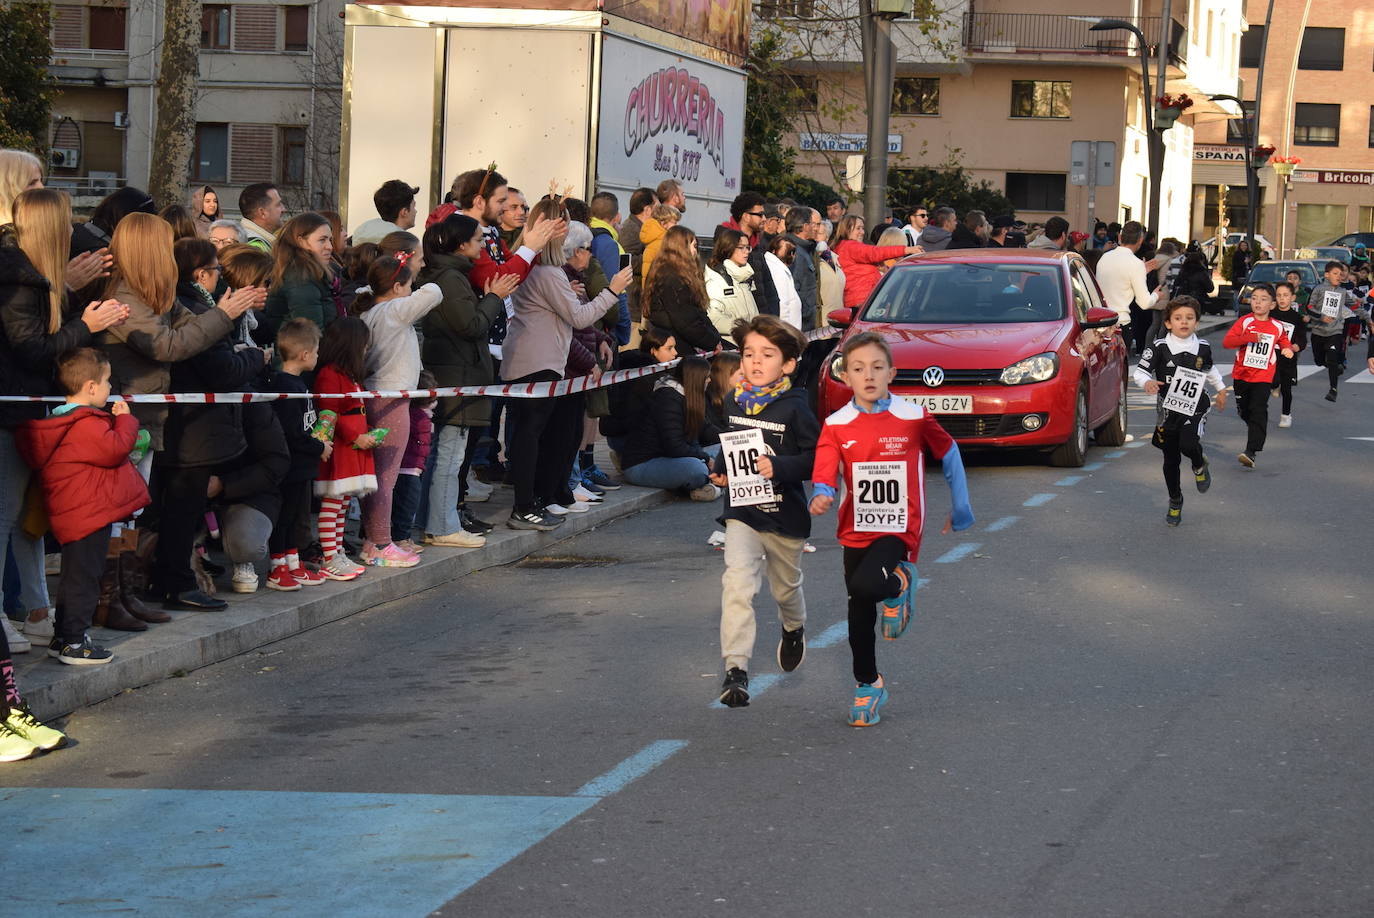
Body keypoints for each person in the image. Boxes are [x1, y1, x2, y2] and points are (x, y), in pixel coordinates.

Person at [809, 331, 974, 724]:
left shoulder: (912, 417)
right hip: (855, 529)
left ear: (891, 373)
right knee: (858, 611)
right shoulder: (836, 424)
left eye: (877, 368)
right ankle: (868, 684)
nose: (868, 375)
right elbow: (824, 468)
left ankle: (901, 582)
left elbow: (948, 450)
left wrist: (961, 506)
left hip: (898, 527)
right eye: (858, 368)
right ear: (845, 376)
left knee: (869, 586)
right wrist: (821, 492)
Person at [1, 188, 131, 642]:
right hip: (11, 417)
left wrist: (80, 312)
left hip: (27, 414)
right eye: (65, 221)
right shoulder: (20, 278)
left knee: (26, 518)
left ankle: (35, 611)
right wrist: (85, 325)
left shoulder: (32, 277)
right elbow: (31, 348)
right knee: (8, 517)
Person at [707, 315, 819, 708]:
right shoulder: (735, 398)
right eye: (749, 353)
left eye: (766, 355)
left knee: (785, 589)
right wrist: (720, 470)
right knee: (736, 584)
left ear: (787, 364)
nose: (755, 362)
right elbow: (731, 440)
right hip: (743, 512)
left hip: (784, 515)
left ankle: (793, 627)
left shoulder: (795, 409)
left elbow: (817, 458)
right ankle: (735, 670)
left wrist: (781, 467)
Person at [502, 198, 631, 531]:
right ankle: (526, 504)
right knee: (532, 437)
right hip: (539, 361)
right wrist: (612, 292)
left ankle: (536, 499)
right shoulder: (548, 272)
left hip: (536, 359)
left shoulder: (536, 269)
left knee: (536, 435)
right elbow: (579, 316)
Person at [17, 348, 149, 664]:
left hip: (74, 513)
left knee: (75, 577)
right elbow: (115, 449)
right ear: (90, 387)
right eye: (106, 381)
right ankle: (74, 643)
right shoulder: (85, 422)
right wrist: (126, 420)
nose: (109, 388)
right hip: (89, 514)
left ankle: (64, 636)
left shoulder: (59, 420)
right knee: (84, 580)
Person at [418, 214, 516, 545]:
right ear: (461, 245)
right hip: (455, 375)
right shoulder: (450, 279)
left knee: (449, 456)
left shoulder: (453, 276)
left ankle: (438, 522)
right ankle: (443, 526)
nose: (483, 246)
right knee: (449, 457)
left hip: (458, 373)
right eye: (477, 240)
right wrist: (494, 298)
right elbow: (470, 326)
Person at [351, 254, 443, 567]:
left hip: (378, 396)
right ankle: (380, 543)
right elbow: (434, 292)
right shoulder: (392, 310)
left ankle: (372, 539)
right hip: (391, 401)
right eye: (408, 284)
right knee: (385, 478)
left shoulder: (370, 312)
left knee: (376, 476)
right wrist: (415, 268)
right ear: (397, 286)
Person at [1133, 297, 1228, 526]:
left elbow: (1210, 369)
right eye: (1178, 318)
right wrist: (1146, 383)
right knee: (1171, 458)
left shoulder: (1203, 347)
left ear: (1196, 322)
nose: (1183, 322)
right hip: (1168, 410)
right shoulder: (1159, 348)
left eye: (1189, 318)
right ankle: (1175, 499)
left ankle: (1198, 463)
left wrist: (1221, 389)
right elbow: (1140, 372)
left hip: (1196, 405)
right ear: (1167, 323)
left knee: (1188, 443)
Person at [259, 318, 329, 590]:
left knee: (293, 516)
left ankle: (293, 563)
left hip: (303, 466)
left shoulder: (298, 385)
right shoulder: (288, 387)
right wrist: (319, 447)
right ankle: (277, 569)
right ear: (305, 354)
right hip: (291, 466)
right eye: (317, 350)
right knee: (285, 517)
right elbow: (293, 433)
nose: (318, 356)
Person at [313, 317, 378, 580]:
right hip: (340, 447)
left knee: (343, 503)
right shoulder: (330, 374)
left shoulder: (348, 375)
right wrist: (355, 435)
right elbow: (330, 413)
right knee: (333, 503)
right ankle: (330, 557)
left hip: (353, 447)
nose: (366, 349)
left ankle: (337, 551)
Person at [619, 356, 719, 498]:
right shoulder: (667, 399)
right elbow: (675, 446)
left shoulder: (689, 396)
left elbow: (700, 433)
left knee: (727, 449)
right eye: (706, 377)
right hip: (644, 463)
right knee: (696, 469)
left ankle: (710, 483)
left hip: (673, 457)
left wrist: (732, 439)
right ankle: (709, 481)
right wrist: (706, 459)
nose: (709, 380)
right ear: (695, 378)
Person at [1223, 283, 1295, 468]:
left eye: (1263, 299)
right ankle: (1256, 427)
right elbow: (1228, 342)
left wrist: (1287, 349)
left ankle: (1251, 451)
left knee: (1258, 409)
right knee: (1244, 410)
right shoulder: (1245, 322)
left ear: (1272, 305)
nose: (1258, 303)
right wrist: (1249, 338)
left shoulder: (1277, 326)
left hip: (1263, 375)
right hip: (1241, 374)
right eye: (1254, 298)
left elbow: (1284, 341)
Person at [600, 329, 676, 460]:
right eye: (669, 348)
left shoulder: (646, 372)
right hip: (626, 438)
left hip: (621, 436)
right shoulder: (644, 378)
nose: (675, 353)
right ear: (653, 350)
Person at [645, 225, 720, 352]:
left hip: (679, 341)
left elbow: (697, 315)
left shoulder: (667, 272)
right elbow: (686, 322)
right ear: (681, 248)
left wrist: (715, 339)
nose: (696, 252)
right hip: (676, 346)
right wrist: (712, 342)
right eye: (694, 246)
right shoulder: (672, 279)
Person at [829, 215, 922, 309]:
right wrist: (907, 250)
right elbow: (875, 253)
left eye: (862, 228)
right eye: (858, 228)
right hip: (861, 302)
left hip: (863, 301)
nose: (862, 232)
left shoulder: (845, 246)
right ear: (847, 229)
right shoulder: (851, 247)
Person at [1303, 260, 1365, 402]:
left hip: (1335, 330)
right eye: (1335, 273)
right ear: (1327, 275)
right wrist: (1321, 317)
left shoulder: (1342, 292)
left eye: (1341, 274)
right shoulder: (1318, 289)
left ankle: (1333, 390)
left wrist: (1367, 318)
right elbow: (1309, 307)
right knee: (1319, 361)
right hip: (1318, 331)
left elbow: (1354, 306)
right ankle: (1330, 365)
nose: (1339, 276)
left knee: (1332, 355)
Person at [264, 213, 336, 333]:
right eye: (322, 240)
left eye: (330, 240)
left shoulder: (309, 273)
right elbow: (311, 334)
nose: (330, 247)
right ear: (301, 242)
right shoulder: (300, 279)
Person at [393, 371, 437, 554]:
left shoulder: (417, 414)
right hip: (408, 468)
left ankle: (403, 536)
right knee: (406, 505)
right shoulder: (418, 416)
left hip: (414, 467)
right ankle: (400, 538)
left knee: (407, 505)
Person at [1095, 221, 1157, 347]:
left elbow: (1117, 278)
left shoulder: (1104, 257)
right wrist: (1156, 295)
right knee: (1120, 366)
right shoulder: (1136, 263)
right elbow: (1144, 303)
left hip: (1099, 322)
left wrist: (1141, 271)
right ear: (1140, 240)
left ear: (1119, 237)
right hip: (1120, 323)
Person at [704, 229, 758, 334]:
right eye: (741, 247)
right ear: (728, 248)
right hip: (731, 344)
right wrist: (743, 328)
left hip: (749, 340)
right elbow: (713, 318)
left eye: (747, 247)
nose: (746, 251)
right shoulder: (715, 279)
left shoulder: (745, 276)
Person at [1271, 282, 1308, 428]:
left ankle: (1286, 415)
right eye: (1279, 295)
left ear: (1292, 298)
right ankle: (1275, 385)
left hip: (1288, 357)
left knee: (1286, 388)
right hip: (1271, 355)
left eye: (1285, 295)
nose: (1282, 298)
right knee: (1273, 380)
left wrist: (1297, 346)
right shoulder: (1271, 314)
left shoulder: (1297, 318)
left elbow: (1303, 338)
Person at [619, 187, 657, 329]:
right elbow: (626, 262)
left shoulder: (643, 228)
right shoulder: (631, 229)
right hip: (632, 306)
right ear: (647, 210)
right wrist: (653, 257)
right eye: (657, 207)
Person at [781, 207, 821, 331]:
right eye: (812, 224)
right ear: (804, 226)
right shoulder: (794, 251)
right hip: (799, 325)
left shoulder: (806, 249)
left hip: (806, 322)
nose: (816, 228)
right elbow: (793, 290)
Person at [352, 179, 418, 245]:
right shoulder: (406, 246)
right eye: (413, 206)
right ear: (404, 212)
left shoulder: (359, 236)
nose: (416, 211)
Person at [764, 235, 802, 332]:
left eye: (793, 252)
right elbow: (782, 304)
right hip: (786, 331)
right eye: (789, 252)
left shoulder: (780, 268)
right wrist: (784, 332)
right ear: (773, 250)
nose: (792, 255)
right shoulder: (777, 271)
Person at [639, 203, 680, 282]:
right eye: (674, 223)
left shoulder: (657, 242)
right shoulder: (662, 244)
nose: (677, 225)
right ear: (663, 224)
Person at [239, 183, 285, 251]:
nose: (283, 209)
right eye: (278, 204)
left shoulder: (243, 238)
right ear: (262, 212)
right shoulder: (255, 248)